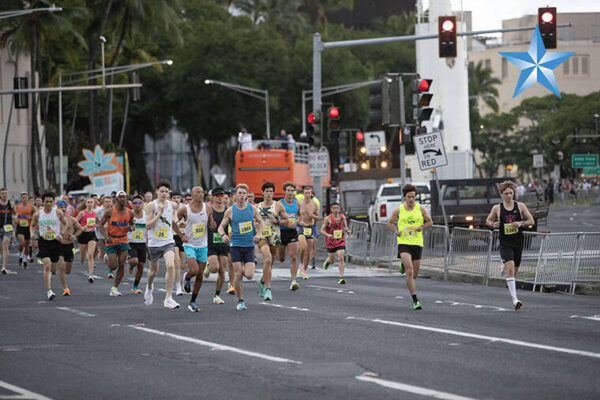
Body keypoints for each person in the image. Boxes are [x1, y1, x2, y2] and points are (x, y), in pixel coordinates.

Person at [486, 180, 534, 311]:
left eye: (511, 193)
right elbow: (488, 220)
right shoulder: (497, 208)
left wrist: (521, 223)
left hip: (518, 242)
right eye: (506, 193)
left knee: (514, 270)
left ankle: (505, 271)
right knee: (511, 267)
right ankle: (515, 300)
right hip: (505, 242)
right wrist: (493, 224)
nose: (509, 195)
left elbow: (531, 220)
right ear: (502, 194)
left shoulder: (520, 206)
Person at [387, 184, 433, 310]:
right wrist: (396, 230)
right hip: (404, 242)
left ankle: (404, 265)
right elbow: (389, 223)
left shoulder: (421, 209)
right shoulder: (399, 210)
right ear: (405, 197)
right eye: (409, 197)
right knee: (409, 270)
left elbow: (430, 221)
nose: (411, 199)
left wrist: (421, 227)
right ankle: (415, 300)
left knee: (415, 275)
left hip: (417, 243)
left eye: (413, 197)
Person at [217, 184, 263, 311]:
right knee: (238, 274)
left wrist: (258, 234)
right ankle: (240, 300)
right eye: (240, 193)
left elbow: (261, 222)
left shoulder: (252, 209)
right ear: (235, 196)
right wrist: (223, 235)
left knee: (248, 275)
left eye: (244, 193)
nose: (242, 195)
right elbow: (220, 227)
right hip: (235, 246)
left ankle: (246, 281)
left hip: (249, 246)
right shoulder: (230, 211)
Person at [144, 180, 185, 309]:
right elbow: (148, 225)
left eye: (166, 192)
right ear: (156, 191)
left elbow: (172, 220)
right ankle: (149, 287)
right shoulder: (151, 206)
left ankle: (168, 297)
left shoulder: (172, 205)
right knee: (153, 272)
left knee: (171, 265)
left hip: (168, 241)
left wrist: (179, 224)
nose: (164, 194)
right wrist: (159, 213)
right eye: (161, 191)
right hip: (154, 243)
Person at [30, 192, 71, 300]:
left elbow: (66, 223)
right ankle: (49, 291)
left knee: (53, 268)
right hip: (43, 241)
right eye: (46, 201)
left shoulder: (57, 212)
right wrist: (32, 233)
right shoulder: (38, 214)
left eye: (51, 202)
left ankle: (50, 274)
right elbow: (32, 225)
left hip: (55, 242)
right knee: (46, 265)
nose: (48, 204)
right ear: (43, 202)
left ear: (53, 202)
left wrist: (61, 233)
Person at [179, 186, 213, 312]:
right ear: (192, 195)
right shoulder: (184, 209)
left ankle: (193, 301)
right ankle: (187, 277)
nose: (200, 194)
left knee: (200, 275)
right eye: (197, 192)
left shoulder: (207, 208)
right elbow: (173, 222)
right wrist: (181, 234)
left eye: (202, 192)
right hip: (189, 244)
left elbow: (211, 223)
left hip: (202, 244)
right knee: (194, 269)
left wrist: (212, 225)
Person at [98, 191, 134, 297]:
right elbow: (100, 225)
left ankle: (114, 288)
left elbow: (132, 225)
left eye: (124, 197)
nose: (122, 199)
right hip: (112, 240)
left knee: (122, 263)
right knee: (113, 266)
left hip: (123, 240)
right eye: (120, 197)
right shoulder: (110, 211)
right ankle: (107, 259)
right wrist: (106, 236)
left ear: (126, 199)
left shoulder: (130, 212)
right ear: (116, 199)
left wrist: (131, 228)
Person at [257, 182, 288, 301]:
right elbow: (251, 220)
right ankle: (268, 289)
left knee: (270, 264)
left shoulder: (278, 206)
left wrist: (277, 221)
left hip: (274, 237)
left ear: (273, 193)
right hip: (262, 237)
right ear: (262, 193)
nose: (269, 194)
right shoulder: (257, 207)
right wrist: (255, 225)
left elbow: (287, 221)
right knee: (267, 259)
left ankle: (262, 281)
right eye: (266, 191)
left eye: (271, 191)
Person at [205, 187, 229, 304]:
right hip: (211, 244)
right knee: (215, 268)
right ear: (213, 197)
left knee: (222, 270)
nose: (220, 198)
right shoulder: (208, 210)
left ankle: (217, 295)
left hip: (224, 244)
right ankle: (208, 267)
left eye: (222, 196)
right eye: (217, 196)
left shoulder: (228, 210)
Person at [57, 200, 84, 296]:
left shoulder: (71, 219)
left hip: (69, 245)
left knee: (68, 270)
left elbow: (81, 228)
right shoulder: (55, 220)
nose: (63, 209)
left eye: (64, 207)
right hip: (59, 245)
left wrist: (75, 236)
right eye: (61, 207)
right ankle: (65, 288)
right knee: (61, 266)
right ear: (58, 209)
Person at [277, 182, 300, 290]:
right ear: (284, 192)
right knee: (281, 258)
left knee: (293, 257)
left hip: (292, 232)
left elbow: (299, 216)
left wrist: (297, 222)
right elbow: (275, 219)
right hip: (281, 232)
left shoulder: (297, 203)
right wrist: (284, 223)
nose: (290, 193)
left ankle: (294, 281)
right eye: (288, 190)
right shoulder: (280, 203)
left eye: (292, 190)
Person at [320, 202, 350, 284]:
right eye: (334, 208)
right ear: (331, 209)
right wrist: (327, 234)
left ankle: (341, 277)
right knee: (332, 260)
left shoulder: (342, 217)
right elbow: (321, 230)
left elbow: (345, 226)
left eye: (337, 208)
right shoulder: (328, 218)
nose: (336, 210)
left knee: (341, 256)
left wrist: (347, 230)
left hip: (340, 240)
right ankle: (328, 261)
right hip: (331, 241)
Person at [297, 185, 320, 279]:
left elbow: (318, 217)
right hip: (301, 227)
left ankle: (305, 270)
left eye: (309, 193)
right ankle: (301, 264)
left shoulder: (314, 204)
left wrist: (313, 216)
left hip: (310, 227)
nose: (307, 195)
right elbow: (296, 216)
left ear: (311, 194)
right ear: (303, 194)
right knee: (303, 247)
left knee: (308, 250)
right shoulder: (299, 203)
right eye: (306, 193)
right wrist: (299, 222)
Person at [127, 195, 147, 294]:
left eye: (139, 203)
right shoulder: (129, 214)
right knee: (134, 261)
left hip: (142, 243)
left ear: (142, 204)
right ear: (132, 204)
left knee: (141, 266)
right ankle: (130, 264)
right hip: (131, 242)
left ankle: (135, 286)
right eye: (135, 203)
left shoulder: (146, 215)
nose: (137, 205)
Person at [76, 198, 98, 283]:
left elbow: (99, 223)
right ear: (86, 204)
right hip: (82, 235)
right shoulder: (82, 213)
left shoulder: (94, 214)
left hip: (91, 234)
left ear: (93, 204)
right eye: (88, 202)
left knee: (90, 254)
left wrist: (97, 225)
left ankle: (91, 274)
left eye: (91, 202)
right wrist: (81, 227)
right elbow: (75, 222)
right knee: (82, 256)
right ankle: (82, 258)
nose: (90, 204)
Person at [171, 191, 185, 296]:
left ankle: (185, 277)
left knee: (183, 266)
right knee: (176, 263)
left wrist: (185, 224)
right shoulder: (168, 209)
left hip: (183, 237)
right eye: (174, 197)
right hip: (172, 237)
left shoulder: (184, 208)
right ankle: (178, 286)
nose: (176, 199)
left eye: (178, 197)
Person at [16, 192, 35, 269]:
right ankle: (21, 255)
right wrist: (15, 219)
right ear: (21, 198)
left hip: (28, 227)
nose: (24, 199)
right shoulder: (18, 207)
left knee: (26, 246)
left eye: (26, 197)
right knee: (22, 243)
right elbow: (14, 215)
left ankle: (24, 260)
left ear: (27, 198)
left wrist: (30, 218)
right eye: (23, 197)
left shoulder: (31, 207)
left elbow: (35, 216)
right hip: (20, 227)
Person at [0, 187, 16, 274]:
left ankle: (4, 267)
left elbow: (15, 213)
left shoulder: (11, 204)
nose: (4, 195)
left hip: (8, 228)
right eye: (2, 193)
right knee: (1, 247)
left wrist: (15, 218)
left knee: (5, 245)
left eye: (5, 193)